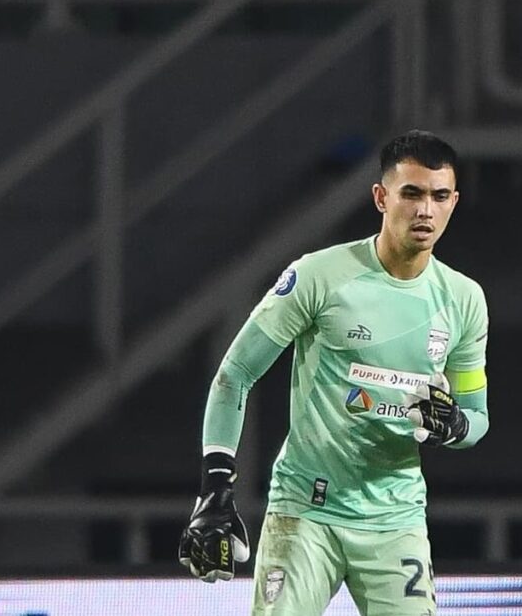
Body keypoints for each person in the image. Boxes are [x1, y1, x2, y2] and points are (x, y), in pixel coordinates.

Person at [179, 130, 490, 615]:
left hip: (395, 519)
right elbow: (235, 374)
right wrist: (215, 488)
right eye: (411, 194)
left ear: (454, 201)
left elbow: (477, 418)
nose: (425, 210)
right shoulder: (318, 276)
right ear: (381, 197)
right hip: (305, 513)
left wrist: (455, 426)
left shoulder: (465, 299)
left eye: (439, 196)